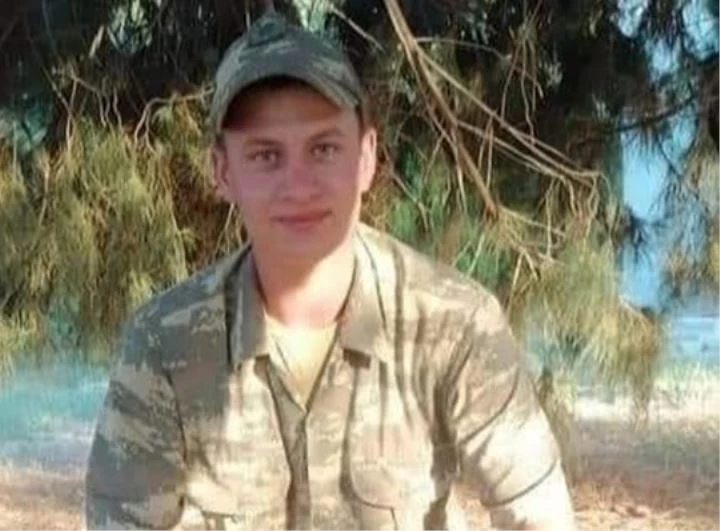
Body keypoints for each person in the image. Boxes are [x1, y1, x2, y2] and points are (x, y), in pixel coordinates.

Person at [85, 9, 576, 530]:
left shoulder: (454, 324)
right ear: (222, 172)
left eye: (323, 148)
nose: (299, 186)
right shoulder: (165, 344)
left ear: (366, 157)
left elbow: (540, 514)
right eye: (266, 156)